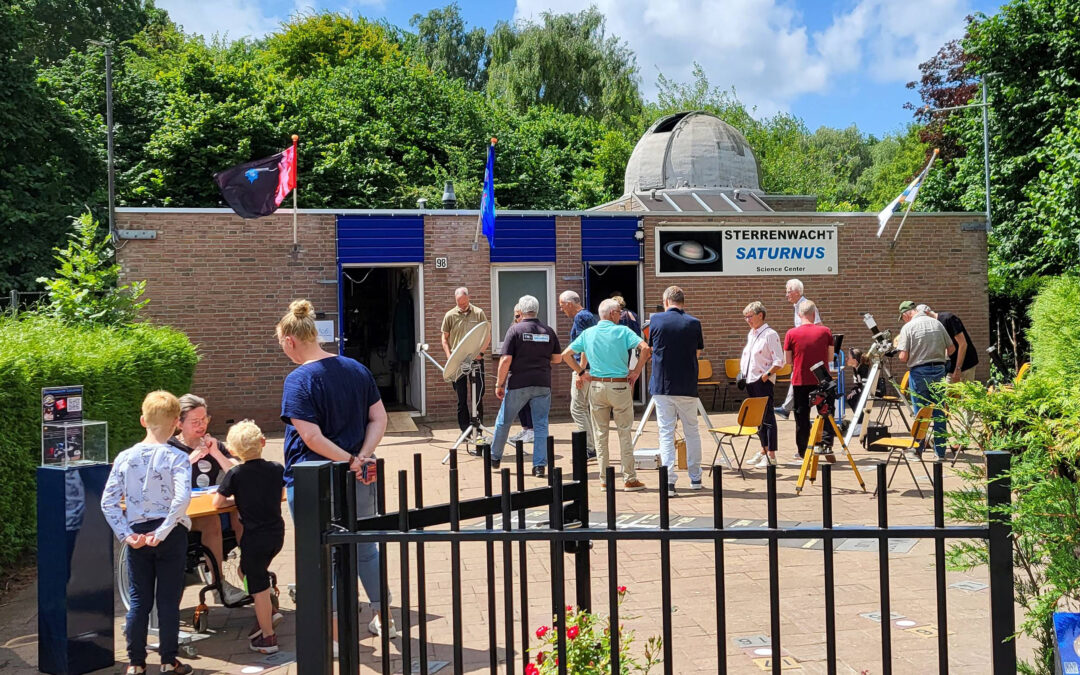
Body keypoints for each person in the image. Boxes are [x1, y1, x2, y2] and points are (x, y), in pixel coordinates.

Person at [277, 299, 396, 639]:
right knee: (365, 547)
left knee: (322, 553)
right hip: (358, 475)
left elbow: (311, 436)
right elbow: (380, 418)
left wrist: (346, 458)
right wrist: (361, 456)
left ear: (290, 341)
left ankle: (331, 634)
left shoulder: (298, 380)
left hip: (314, 479)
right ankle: (384, 618)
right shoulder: (356, 369)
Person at [101, 391, 193, 675]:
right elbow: (181, 499)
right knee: (168, 598)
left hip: (137, 533)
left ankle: (135, 662)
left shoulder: (125, 457)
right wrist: (164, 531)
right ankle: (168, 659)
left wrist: (127, 535)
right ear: (177, 423)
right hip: (170, 533)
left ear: (143, 420)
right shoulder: (178, 458)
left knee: (139, 599)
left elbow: (108, 501)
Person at [561, 298, 652, 492]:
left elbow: (566, 354)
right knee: (624, 431)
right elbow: (645, 348)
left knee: (600, 434)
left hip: (596, 387)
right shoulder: (623, 331)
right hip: (619, 386)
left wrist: (581, 372)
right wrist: (636, 371)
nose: (620, 315)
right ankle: (629, 478)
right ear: (612, 314)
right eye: (619, 312)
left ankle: (604, 479)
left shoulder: (588, 333)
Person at [212, 420, 285, 655]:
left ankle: (267, 636)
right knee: (247, 571)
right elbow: (281, 493)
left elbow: (218, 502)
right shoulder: (276, 468)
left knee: (258, 583)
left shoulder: (236, 474)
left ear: (232, 451)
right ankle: (270, 611)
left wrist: (237, 501)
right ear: (263, 443)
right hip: (276, 533)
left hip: (254, 537)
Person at [167, 394, 245, 604]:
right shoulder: (170, 449)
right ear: (179, 423)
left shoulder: (213, 444)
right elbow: (164, 481)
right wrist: (192, 459)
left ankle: (249, 573)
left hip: (211, 506)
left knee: (241, 511)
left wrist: (216, 453)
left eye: (204, 419)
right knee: (211, 521)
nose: (201, 425)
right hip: (182, 515)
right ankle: (219, 585)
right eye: (195, 422)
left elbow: (238, 472)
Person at [491, 295, 562, 477]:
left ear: (520, 312)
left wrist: (499, 384)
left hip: (518, 384)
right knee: (540, 425)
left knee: (504, 421)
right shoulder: (548, 331)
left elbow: (505, 359)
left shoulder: (515, 330)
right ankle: (539, 466)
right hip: (542, 383)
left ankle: (494, 457)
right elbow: (557, 358)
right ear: (537, 310)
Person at [648, 286, 704, 494]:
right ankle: (695, 478)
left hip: (663, 385)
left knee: (665, 431)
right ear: (683, 302)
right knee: (692, 431)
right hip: (688, 385)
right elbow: (697, 352)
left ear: (665, 301)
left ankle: (669, 482)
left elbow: (651, 348)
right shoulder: (694, 323)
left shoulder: (656, 321)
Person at [897, 301, 955, 458]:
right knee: (939, 412)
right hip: (939, 370)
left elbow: (903, 357)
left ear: (905, 314)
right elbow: (952, 348)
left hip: (919, 372)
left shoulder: (907, 328)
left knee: (921, 413)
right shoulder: (937, 324)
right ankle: (940, 453)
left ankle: (917, 450)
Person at [784, 300, 835, 464]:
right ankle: (826, 445)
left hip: (800, 380)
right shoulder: (825, 331)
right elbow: (829, 357)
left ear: (799, 315)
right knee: (826, 412)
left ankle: (803, 450)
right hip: (821, 380)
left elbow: (788, 360)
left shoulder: (791, 333)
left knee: (801, 416)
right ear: (814, 314)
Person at [441, 287, 491, 435]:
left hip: (475, 360)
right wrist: (450, 357)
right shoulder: (450, 315)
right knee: (461, 397)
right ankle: (465, 431)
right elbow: (444, 338)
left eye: (464, 303)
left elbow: (487, 334)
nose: (462, 306)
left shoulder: (478, 313)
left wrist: (481, 353)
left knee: (478, 395)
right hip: (458, 362)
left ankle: (478, 428)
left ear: (468, 298)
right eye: (459, 303)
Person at [740, 301, 784, 467]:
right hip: (750, 381)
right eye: (746, 317)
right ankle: (763, 449)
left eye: (750, 316)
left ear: (760, 315)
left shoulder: (770, 334)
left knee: (768, 418)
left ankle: (771, 455)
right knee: (758, 418)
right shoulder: (752, 334)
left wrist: (766, 376)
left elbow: (779, 360)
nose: (748, 320)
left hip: (762, 381)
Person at [558, 290, 598, 461]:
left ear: (569, 303)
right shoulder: (588, 315)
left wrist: (580, 371)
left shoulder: (581, 317)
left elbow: (584, 343)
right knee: (584, 408)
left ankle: (589, 448)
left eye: (561, 305)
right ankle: (592, 446)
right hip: (590, 368)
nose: (561, 310)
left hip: (584, 369)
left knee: (577, 409)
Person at [775, 278, 821, 420]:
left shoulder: (806, 306)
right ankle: (787, 408)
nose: (786, 295)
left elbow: (818, 325)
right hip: (800, 350)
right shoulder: (797, 307)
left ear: (796, 292)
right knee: (796, 376)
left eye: (788, 291)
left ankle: (789, 408)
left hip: (807, 350)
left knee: (801, 377)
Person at [918, 305, 979, 382]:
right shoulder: (932, 326)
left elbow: (963, 344)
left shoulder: (948, 318)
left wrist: (958, 369)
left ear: (927, 313)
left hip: (966, 363)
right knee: (947, 393)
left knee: (965, 393)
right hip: (950, 365)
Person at [508, 304, 535, 445]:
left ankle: (531, 430)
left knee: (528, 403)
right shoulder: (514, 330)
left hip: (528, 374)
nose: (516, 318)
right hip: (516, 373)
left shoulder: (530, 330)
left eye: (518, 316)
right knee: (519, 405)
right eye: (515, 316)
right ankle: (525, 429)